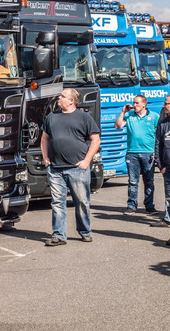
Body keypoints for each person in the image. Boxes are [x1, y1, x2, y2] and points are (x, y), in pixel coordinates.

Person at [40, 88, 101, 246]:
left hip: (77, 168)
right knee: (57, 202)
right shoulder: (52, 117)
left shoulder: (84, 117)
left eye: (62, 96)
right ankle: (59, 235)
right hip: (55, 169)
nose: (58, 99)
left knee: (81, 201)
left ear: (71, 101)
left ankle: (84, 231)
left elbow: (95, 140)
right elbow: (44, 139)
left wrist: (86, 161)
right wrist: (46, 158)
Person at [114, 95, 159, 215]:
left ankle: (149, 206)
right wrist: (123, 112)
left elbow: (159, 133)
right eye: (134, 103)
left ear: (144, 104)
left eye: (137, 103)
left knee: (149, 180)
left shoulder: (154, 116)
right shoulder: (129, 115)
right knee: (133, 181)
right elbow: (118, 125)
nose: (134, 105)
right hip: (132, 153)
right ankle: (131, 205)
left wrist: (156, 151)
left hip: (148, 153)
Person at [153, 94, 170, 244]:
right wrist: (161, 166)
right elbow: (158, 145)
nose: (164, 106)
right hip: (169, 170)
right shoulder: (163, 123)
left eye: (167, 104)